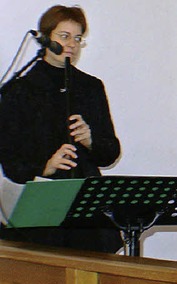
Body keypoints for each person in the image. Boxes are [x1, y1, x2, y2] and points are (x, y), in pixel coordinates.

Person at [0, 5, 122, 253]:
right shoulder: (20, 90)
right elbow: (10, 161)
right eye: (64, 36)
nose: (72, 44)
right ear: (46, 38)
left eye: (78, 38)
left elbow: (110, 153)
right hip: (41, 207)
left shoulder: (90, 86)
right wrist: (46, 166)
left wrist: (91, 140)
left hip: (87, 206)